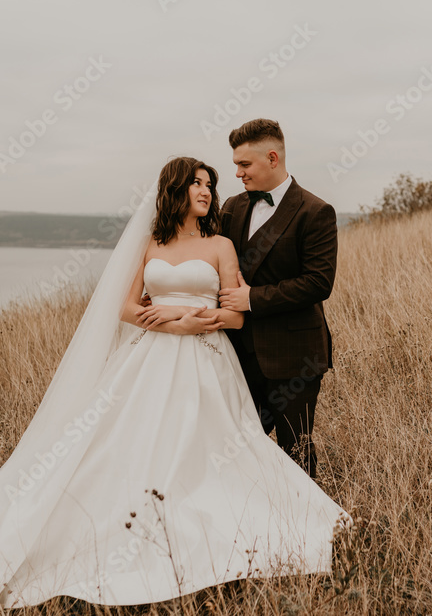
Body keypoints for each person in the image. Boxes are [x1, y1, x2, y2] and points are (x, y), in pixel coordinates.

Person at [0, 157, 350, 615]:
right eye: (196, 183)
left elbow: (235, 313)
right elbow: (124, 307)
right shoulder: (150, 246)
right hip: (148, 357)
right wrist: (166, 324)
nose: (206, 191)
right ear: (174, 190)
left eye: (210, 185)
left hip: (206, 356)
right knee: (122, 443)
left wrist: (183, 321)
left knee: (211, 446)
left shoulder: (220, 245)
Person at [143, 120, 337, 479]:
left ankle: (303, 523)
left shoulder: (314, 211)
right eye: (235, 164)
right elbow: (202, 262)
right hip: (235, 355)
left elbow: (318, 283)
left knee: (294, 450)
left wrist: (252, 298)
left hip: (294, 357)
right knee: (235, 452)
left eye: (244, 165)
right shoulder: (232, 206)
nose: (237, 173)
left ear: (273, 158)